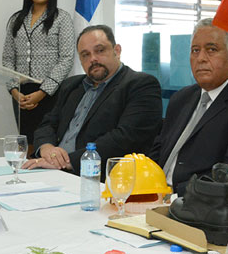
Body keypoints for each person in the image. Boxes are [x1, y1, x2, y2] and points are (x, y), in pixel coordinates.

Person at [149, 19, 228, 196]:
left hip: (197, 203)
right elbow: (158, 151)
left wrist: (175, 194)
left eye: (211, 50)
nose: (201, 58)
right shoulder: (181, 98)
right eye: (195, 50)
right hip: (152, 195)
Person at [25, 25, 162, 175]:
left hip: (96, 177)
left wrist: (68, 162)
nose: (93, 59)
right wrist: (46, 148)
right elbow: (48, 124)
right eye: (85, 55)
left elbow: (126, 139)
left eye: (100, 50)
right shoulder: (71, 85)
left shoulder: (141, 85)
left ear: (117, 50)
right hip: (52, 168)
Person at [1, 0, 75, 148]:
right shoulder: (16, 20)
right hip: (21, 94)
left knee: (45, 144)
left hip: (50, 93)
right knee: (25, 145)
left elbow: (66, 58)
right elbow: (7, 59)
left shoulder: (61, 18)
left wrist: (42, 93)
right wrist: (14, 91)